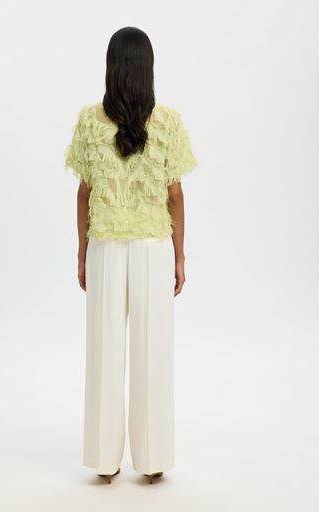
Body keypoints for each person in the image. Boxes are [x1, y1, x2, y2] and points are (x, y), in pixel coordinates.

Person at [64, 26, 197, 485]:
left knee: (103, 350)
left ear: (111, 68)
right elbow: (175, 194)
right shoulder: (168, 122)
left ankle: (105, 461)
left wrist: (82, 252)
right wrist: (180, 256)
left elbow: (84, 192)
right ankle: (152, 459)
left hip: (105, 245)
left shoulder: (89, 121)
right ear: (147, 70)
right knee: (152, 350)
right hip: (153, 247)